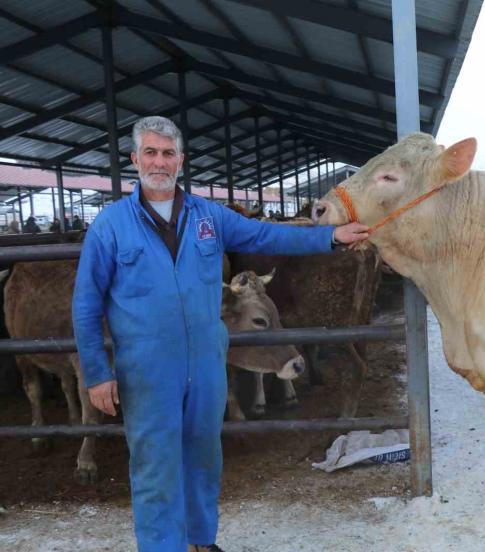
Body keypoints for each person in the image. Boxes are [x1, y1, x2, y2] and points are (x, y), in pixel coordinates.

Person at [72, 116, 370, 552]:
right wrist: (98, 374)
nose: (159, 162)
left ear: (181, 160)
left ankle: (200, 541)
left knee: (204, 455)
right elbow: (85, 303)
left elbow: (267, 235)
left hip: (207, 361)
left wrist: (330, 237)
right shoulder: (110, 225)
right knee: (154, 464)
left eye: (168, 153)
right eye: (151, 153)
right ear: (135, 159)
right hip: (147, 367)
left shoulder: (208, 216)